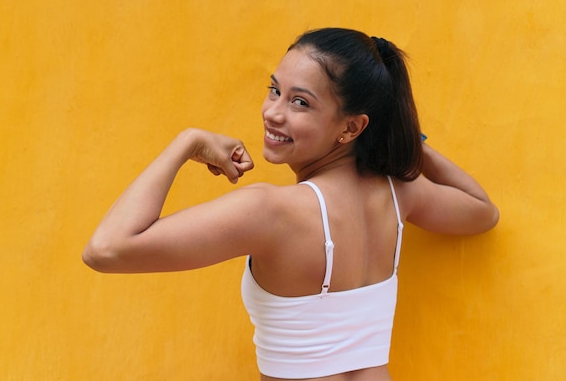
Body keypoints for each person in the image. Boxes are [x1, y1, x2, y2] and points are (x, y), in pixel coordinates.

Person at [83, 28, 499, 380]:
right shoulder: (398, 192)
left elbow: (106, 249)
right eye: (274, 90)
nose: (273, 113)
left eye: (300, 102)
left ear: (352, 127)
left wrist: (186, 142)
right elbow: (482, 210)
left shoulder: (270, 211)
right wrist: (408, 141)